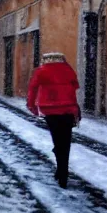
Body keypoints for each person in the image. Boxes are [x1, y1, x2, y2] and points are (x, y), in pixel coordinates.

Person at [27, 52, 80, 188]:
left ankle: (60, 170)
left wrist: (31, 105)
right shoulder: (68, 70)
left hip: (50, 110)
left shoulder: (41, 71)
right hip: (68, 109)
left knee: (57, 139)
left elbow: (33, 88)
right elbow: (75, 85)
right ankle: (63, 171)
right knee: (66, 141)